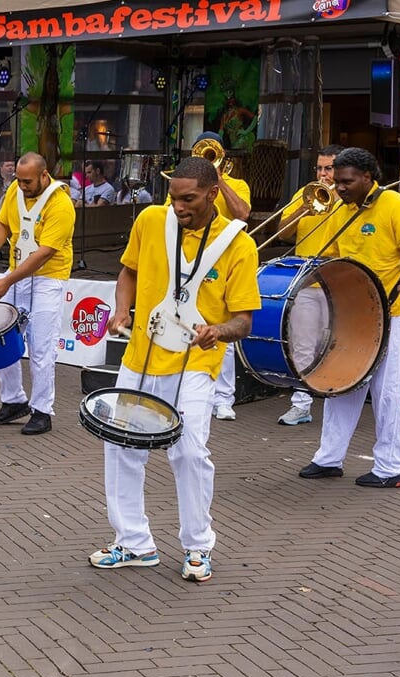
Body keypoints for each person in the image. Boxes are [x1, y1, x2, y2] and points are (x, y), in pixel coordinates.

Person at [89, 157, 261, 583]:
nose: (179, 207)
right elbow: (128, 270)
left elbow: (244, 320)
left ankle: (198, 546)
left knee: (188, 451)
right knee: (123, 447)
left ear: (213, 193)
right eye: (173, 197)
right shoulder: (151, 220)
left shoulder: (239, 244)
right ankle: (133, 543)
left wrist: (217, 330)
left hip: (196, 363)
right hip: (141, 358)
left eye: (189, 199)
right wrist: (122, 307)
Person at [298, 147, 400, 488]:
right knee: (341, 383)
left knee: (387, 391)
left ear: (368, 178)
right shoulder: (340, 210)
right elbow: (331, 260)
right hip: (352, 315)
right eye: (337, 181)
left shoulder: (396, 206)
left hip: (393, 313)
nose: (339, 187)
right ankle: (329, 458)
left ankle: (392, 468)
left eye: (346, 181)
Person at [0, 152, 75, 435]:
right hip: (17, 275)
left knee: (41, 347)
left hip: (47, 280)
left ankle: (42, 410)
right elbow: (3, 223)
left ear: (44, 175)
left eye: (27, 180)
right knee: (1, 337)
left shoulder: (61, 204)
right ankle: (14, 400)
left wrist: (7, 281)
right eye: (18, 179)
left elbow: (44, 254)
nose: (22, 185)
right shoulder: (15, 192)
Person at [181, 132, 253, 421]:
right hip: (190, 260)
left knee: (223, 328)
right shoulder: (186, 186)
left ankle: (224, 398)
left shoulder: (237, 184)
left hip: (223, 262)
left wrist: (218, 180)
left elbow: (243, 214)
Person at [272, 143, 342, 426]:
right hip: (305, 278)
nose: (323, 174)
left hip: (337, 279)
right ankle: (301, 404)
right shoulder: (306, 193)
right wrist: (304, 206)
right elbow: (282, 233)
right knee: (302, 343)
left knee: (335, 344)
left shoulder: (349, 198)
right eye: (320, 168)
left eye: (329, 168)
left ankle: (338, 402)